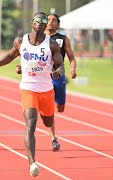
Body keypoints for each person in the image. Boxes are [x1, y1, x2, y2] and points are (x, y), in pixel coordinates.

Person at [0, 12, 63, 177]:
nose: (40, 23)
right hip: (28, 88)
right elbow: (9, 57)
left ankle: (49, 121)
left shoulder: (52, 44)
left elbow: (61, 65)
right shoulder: (21, 41)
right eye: (37, 20)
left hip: (46, 89)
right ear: (32, 22)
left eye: (43, 21)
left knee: (48, 121)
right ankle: (32, 162)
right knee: (30, 123)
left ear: (46, 25)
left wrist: (58, 73)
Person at [16, 14, 77, 152]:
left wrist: (72, 69)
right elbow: (26, 56)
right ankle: (53, 138)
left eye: (53, 20)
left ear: (58, 24)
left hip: (57, 77)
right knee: (37, 115)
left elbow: (71, 57)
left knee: (59, 108)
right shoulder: (34, 39)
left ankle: (48, 111)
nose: (50, 22)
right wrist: (21, 67)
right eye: (47, 20)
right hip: (39, 80)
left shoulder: (62, 39)